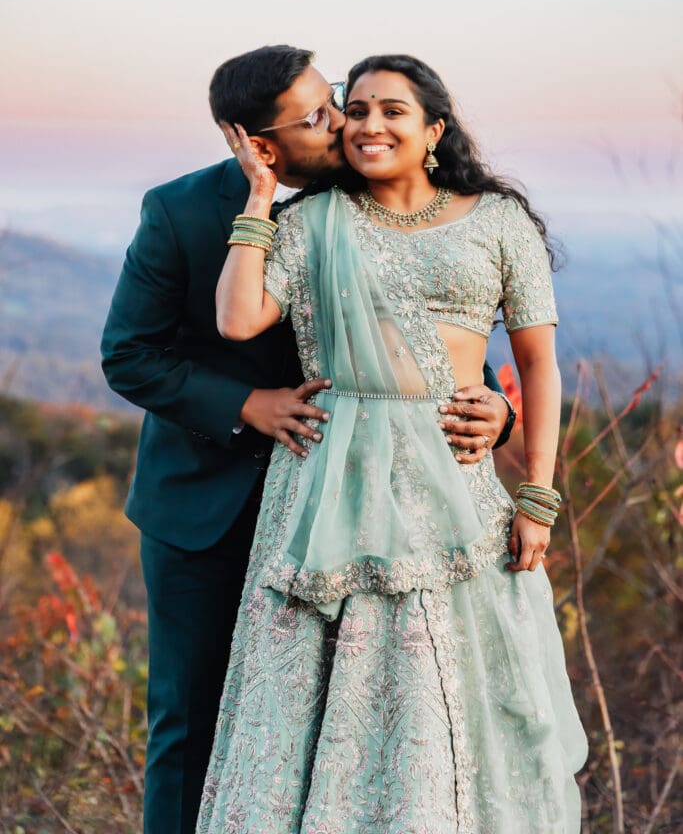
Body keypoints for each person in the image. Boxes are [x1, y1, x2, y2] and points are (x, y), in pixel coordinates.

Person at [100, 45, 513, 834]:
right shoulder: (180, 210)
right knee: (190, 720)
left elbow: (439, 333)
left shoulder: (389, 201)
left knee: (350, 729)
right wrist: (246, 402)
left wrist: (498, 410)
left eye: (334, 100)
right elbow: (130, 353)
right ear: (253, 140)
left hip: (361, 509)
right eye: (317, 116)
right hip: (205, 512)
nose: (342, 124)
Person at [197, 53, 588, 833]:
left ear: (433, 129)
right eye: (358, 109)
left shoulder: (497, 220)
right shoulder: (313, 222)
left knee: (446, 685)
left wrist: (538, 493)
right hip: (327, 482)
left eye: (393, 111)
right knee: (318, 687)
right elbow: (238, 320)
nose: (370, 124)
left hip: (453, 482)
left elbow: (538, 366)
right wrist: (261, 198)